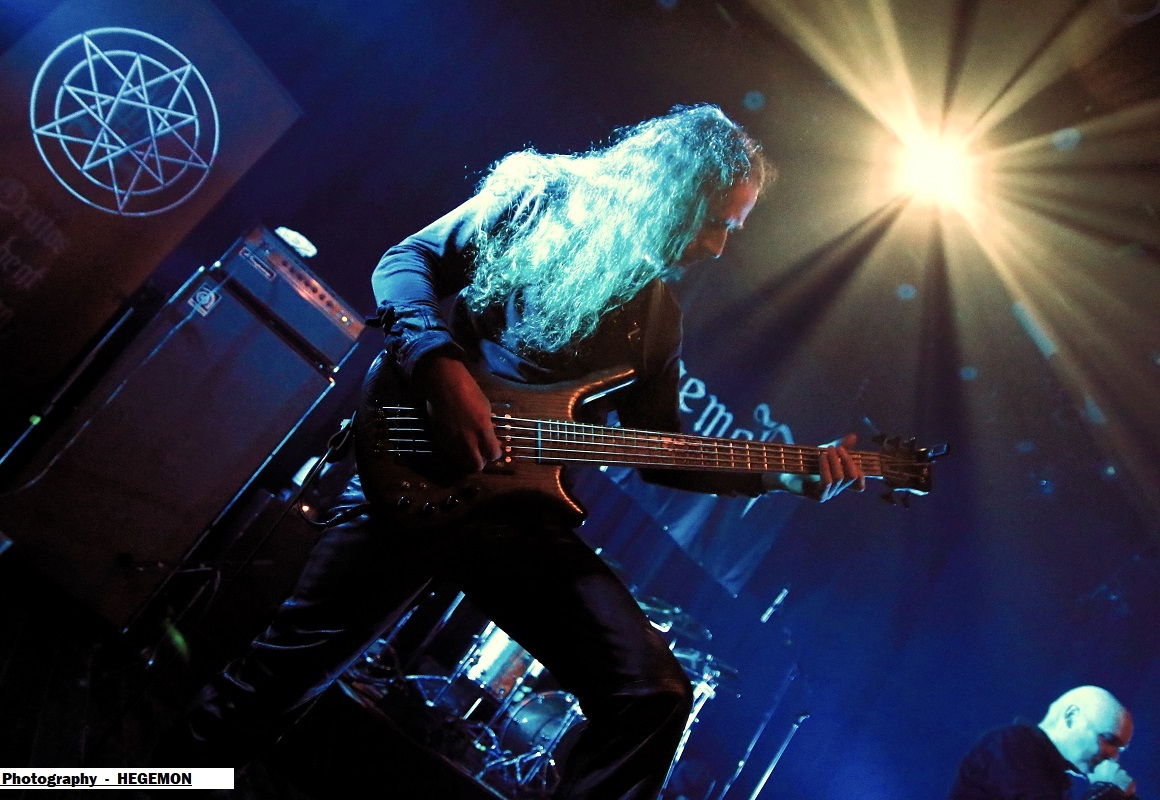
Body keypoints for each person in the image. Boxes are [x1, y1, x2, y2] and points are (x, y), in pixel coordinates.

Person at [156, 104, 864, 799]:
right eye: (716, 222)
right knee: (271, 686)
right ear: (670, 191)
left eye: (731, 230)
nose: (717, 247)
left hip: (517, 519)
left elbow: (660, 452)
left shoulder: (658, 318)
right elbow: (407, 262)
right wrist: (442, 370)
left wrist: (787, 475)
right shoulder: (542, 197)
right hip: (418, 472)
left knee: (653, 694)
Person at [947, 685, 1137, 800]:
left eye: (1120, 749)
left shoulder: (1053, 778)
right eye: (1109, 740)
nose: (1114, 756)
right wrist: (1106, 791)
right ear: (1071, 717)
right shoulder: (1010, 746)